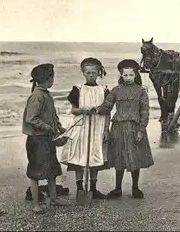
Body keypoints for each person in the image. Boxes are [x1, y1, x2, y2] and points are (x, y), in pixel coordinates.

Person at [95, 59, 154, 199]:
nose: (128, 78)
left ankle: (135, 188)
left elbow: (145, 112)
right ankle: (117, 188)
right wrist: (96, 109)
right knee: (119, 158)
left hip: (134, 128)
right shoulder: (116, 90)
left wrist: (141, 129)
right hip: (118, 128)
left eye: (131, 75)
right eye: (125, 75)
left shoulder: (141, 91)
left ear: (136, 75)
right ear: (121, 75)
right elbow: (107, 106)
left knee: (136, 158)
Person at [59, 57, 110, 199]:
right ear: (83, 73)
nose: (91, 75)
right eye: (88, 73)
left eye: (94, 72)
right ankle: (80, 188)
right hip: (82, 127)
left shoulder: (104, 90)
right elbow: (73, 111)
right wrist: (83, 110)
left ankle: (93, 189)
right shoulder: (78, 90)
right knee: (80, 158)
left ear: (99, 72)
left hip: (97, 127)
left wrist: (106, 129)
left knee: (94, 156)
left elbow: (107, 112)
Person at [22, 63, 69, 213]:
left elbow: (53, 116)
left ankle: (53, 199)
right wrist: (48, 128)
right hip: (37, 140)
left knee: (52, 170)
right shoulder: (37, 96)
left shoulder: (47, 94)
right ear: (48, 79)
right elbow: (31, 118)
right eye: (51, 77)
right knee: (36, 173)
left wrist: (59, 127)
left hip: (47, 139)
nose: (52, 80)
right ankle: (36, 204)